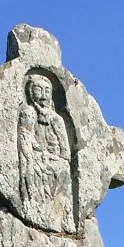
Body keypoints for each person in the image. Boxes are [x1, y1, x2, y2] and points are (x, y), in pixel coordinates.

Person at [18, 72, 73, 231]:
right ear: (30, 92)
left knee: (63, 169)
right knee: (34, 168)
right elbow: (25, 138)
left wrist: (56, 156)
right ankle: (36, 209)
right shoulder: (28, 112)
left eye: (47, 90)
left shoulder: (57, 119)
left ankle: (62, 217)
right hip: (35, 159)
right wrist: (37, 152)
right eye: (38, 90)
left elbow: (65, 151)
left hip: (54, 161)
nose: (43, 95)